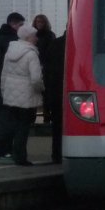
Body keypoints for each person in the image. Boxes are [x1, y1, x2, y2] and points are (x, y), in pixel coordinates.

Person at [0, 23, 44, 167]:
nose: (36, 38)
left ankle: (11, 152)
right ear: (28, 37)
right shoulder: (31, 54)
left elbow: (4, 74)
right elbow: (36, 78)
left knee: (13, 125)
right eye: (34, 35)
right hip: (27, 95)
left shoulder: (10, 51)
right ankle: (21, 157)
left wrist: (4, 90)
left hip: (11, 94)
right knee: (24, 127)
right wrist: (41, 89)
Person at [0, 12, 25, 157]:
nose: (22, 28)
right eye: (21, 25)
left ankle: (2, 149)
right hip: (6, 83)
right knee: (7, 118)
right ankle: (3, 150)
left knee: (4, 118)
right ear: (14, 24)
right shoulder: (11, 41)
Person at [42, 29, 66, 164]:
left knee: (57, 126)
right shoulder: (77, 44)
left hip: (55, 92)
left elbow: (47, 71)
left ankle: (56, 154)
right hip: (71, 92)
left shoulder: (54, 44)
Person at [32, 14, 56, 123]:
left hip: (45, 68)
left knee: (46, 94)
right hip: (39, 66)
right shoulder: (47, 35)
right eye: (38, 22)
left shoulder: (48, 35)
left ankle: (47, 116)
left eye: (41, 22)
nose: (39, 24)